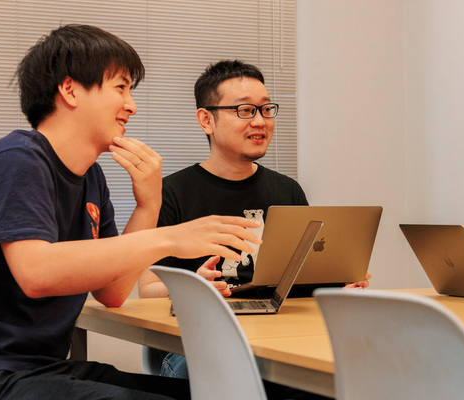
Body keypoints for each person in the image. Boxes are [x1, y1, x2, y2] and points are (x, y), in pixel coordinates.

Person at [0, 25, 262, 399]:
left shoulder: (91, 178)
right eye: (121, 87)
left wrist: (148, 204)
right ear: (69, 90)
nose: (131, 105)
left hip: (41, 367)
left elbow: (114, 291)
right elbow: (36, 272)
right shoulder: (17, 160)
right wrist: (170, 236)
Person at [135, 61, 365, 385]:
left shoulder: (288, 191)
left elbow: (303, 281)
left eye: (266, 109)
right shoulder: (170, 193)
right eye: (245, 110)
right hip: (204, 338)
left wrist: (340, 285)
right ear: (206, 120)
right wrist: (196, 287)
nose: (260, 121)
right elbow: (148, 290)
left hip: (282, 337)